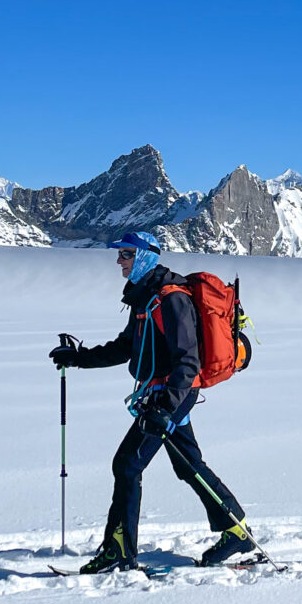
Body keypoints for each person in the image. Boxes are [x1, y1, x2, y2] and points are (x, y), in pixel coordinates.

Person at [48, 231, 256, 573]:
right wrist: (79, 358)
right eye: (119, 254)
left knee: (127, 465)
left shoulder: (170, 299)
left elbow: (187, 363)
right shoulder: (146, 298)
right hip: (161, 395)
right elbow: (125, 346)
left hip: (170, 396)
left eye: (126, 254)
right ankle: (236, 531)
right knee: (188, 465)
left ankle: (119, 551)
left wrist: (165, 408)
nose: (119, 260)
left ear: (145, 256)